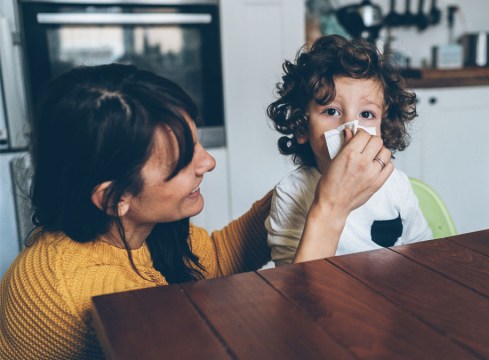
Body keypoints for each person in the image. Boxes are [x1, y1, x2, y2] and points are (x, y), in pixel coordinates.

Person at [0, 63, 392, 359]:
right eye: (184, 159)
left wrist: (316, 184)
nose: (207, 163)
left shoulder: (140, 231)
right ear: (113, 198)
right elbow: (293, 344)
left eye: (198, 143)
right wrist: (330, 207)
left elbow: (219, 257)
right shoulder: (85, 293)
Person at [265, 35, 432, 267]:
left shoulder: (397, 185)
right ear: (302, 127)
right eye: (331, 111)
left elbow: (423, 252)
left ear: (383, 129)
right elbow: (290, 280)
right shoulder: (291, 193)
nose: (350, 128)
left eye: (366, 114)